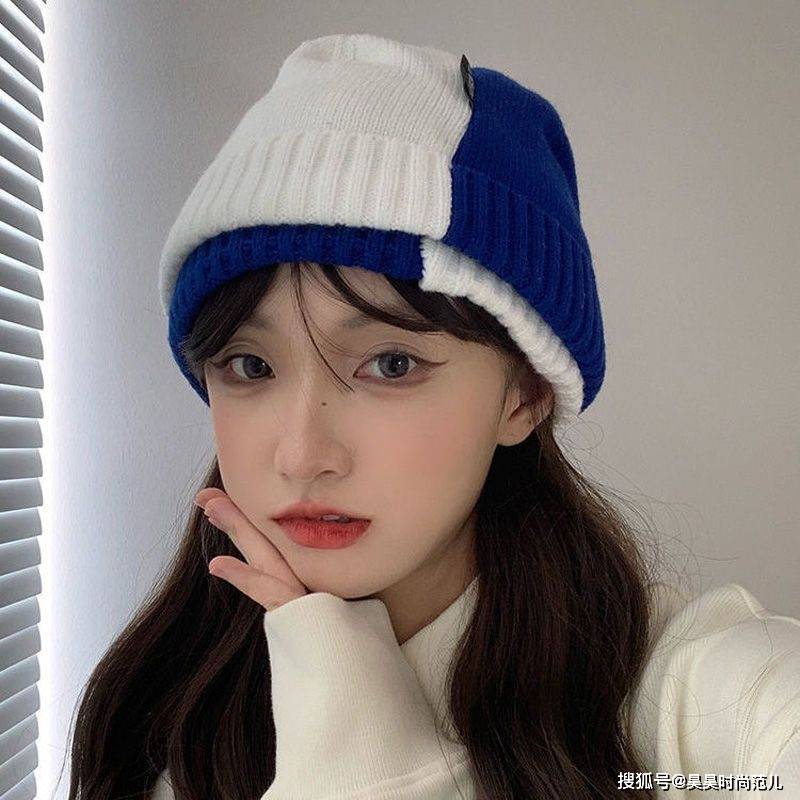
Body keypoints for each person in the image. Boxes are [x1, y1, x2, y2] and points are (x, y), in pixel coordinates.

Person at [65, 33, 800, 800]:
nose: (302, 454)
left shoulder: (696, 706)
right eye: (250, 366)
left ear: (525, 395)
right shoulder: (163, 716)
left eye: (391, 364)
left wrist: (369, 756)